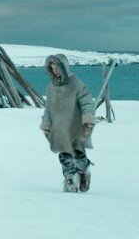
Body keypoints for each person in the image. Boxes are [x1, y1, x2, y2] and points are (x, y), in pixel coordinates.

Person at [40, 54, 96, 193]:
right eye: (52, 68)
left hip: (75, 126)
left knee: (77, 155)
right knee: (64, 157)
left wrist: (88, 120)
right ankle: (70, 179)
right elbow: (48, 109)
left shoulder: (76, 84)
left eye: (57, 67)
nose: (55, 71)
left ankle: (84, 169)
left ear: (64, 67)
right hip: (59, 128)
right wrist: (46, 125)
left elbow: (87, 102)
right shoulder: (51, 88)